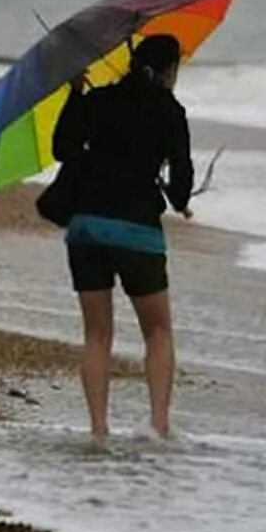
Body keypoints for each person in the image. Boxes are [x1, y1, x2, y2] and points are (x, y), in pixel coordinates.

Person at [52, 34, 193, 442]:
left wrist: (75, 94)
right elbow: (180, 189)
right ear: (170, 69)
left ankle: (98, 431)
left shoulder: (96, 100)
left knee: (97, 334)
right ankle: (158, 425)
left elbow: (63, 149)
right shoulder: (170, 111)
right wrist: (174, 192)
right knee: (158, 332)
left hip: (87, 228)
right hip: (138, 232)